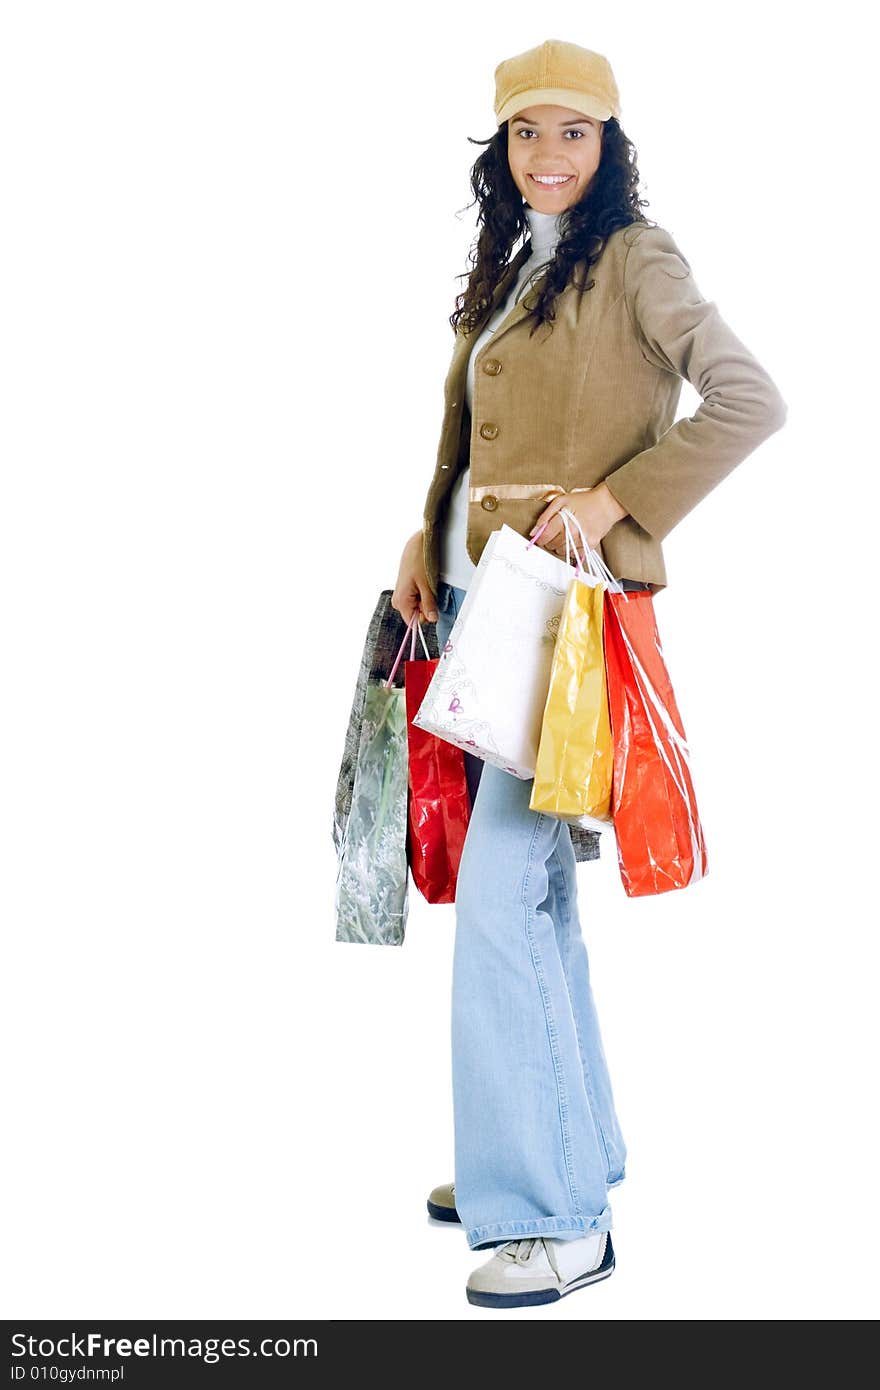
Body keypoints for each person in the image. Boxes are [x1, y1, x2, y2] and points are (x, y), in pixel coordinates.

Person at [391, 38, 787, 1309]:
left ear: (609, 142)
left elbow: (748, 397)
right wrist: (420, 533)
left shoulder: (635, 260)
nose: (547, 155)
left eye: (573, 132)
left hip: (562, 622)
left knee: (505, 900)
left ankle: (555, 1215)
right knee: (527, 897)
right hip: (471, 602)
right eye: (525, 133)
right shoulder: (510, 260)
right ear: (499, 148)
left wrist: (619, 498)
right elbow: (469, 429)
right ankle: (560, 1145)